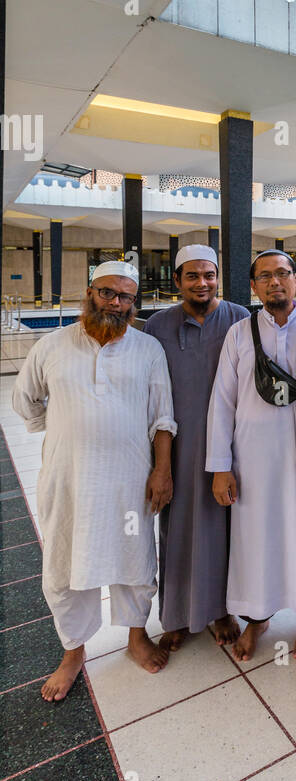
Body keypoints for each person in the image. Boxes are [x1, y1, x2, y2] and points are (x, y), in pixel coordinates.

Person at [13, 261, 176, 700]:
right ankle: (73, 652)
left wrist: (162, 471)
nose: (115, 303)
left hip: (129, 480)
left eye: (124, 296)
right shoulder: (51, 346)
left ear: (133, 303)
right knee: (66, 565)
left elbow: (163, 417)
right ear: (89, 292)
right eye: (107, 293)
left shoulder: (148, 349)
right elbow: (25, 399)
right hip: (69, 482)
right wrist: (67, 427)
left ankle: (136, 637)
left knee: (134, 558)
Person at [206, 250, 296, 662]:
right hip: (252, 460)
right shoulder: (239, 334)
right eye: (265, 276)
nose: (275, 282)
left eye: (283, 274)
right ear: (253, 286)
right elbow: (222, 403)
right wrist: (220, 466)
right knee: (256, 538)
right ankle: (258, 618)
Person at [144, 244, 248, 651]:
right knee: (177, 530)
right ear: (177, 281)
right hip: (179, 448)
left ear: (218, 277)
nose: (202, 283)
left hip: (231, 447)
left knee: (227, 529)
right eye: (192, 276)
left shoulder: (240, 318)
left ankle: (223, 610)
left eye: (209, 275)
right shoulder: (157, 327)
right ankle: (177, 616)